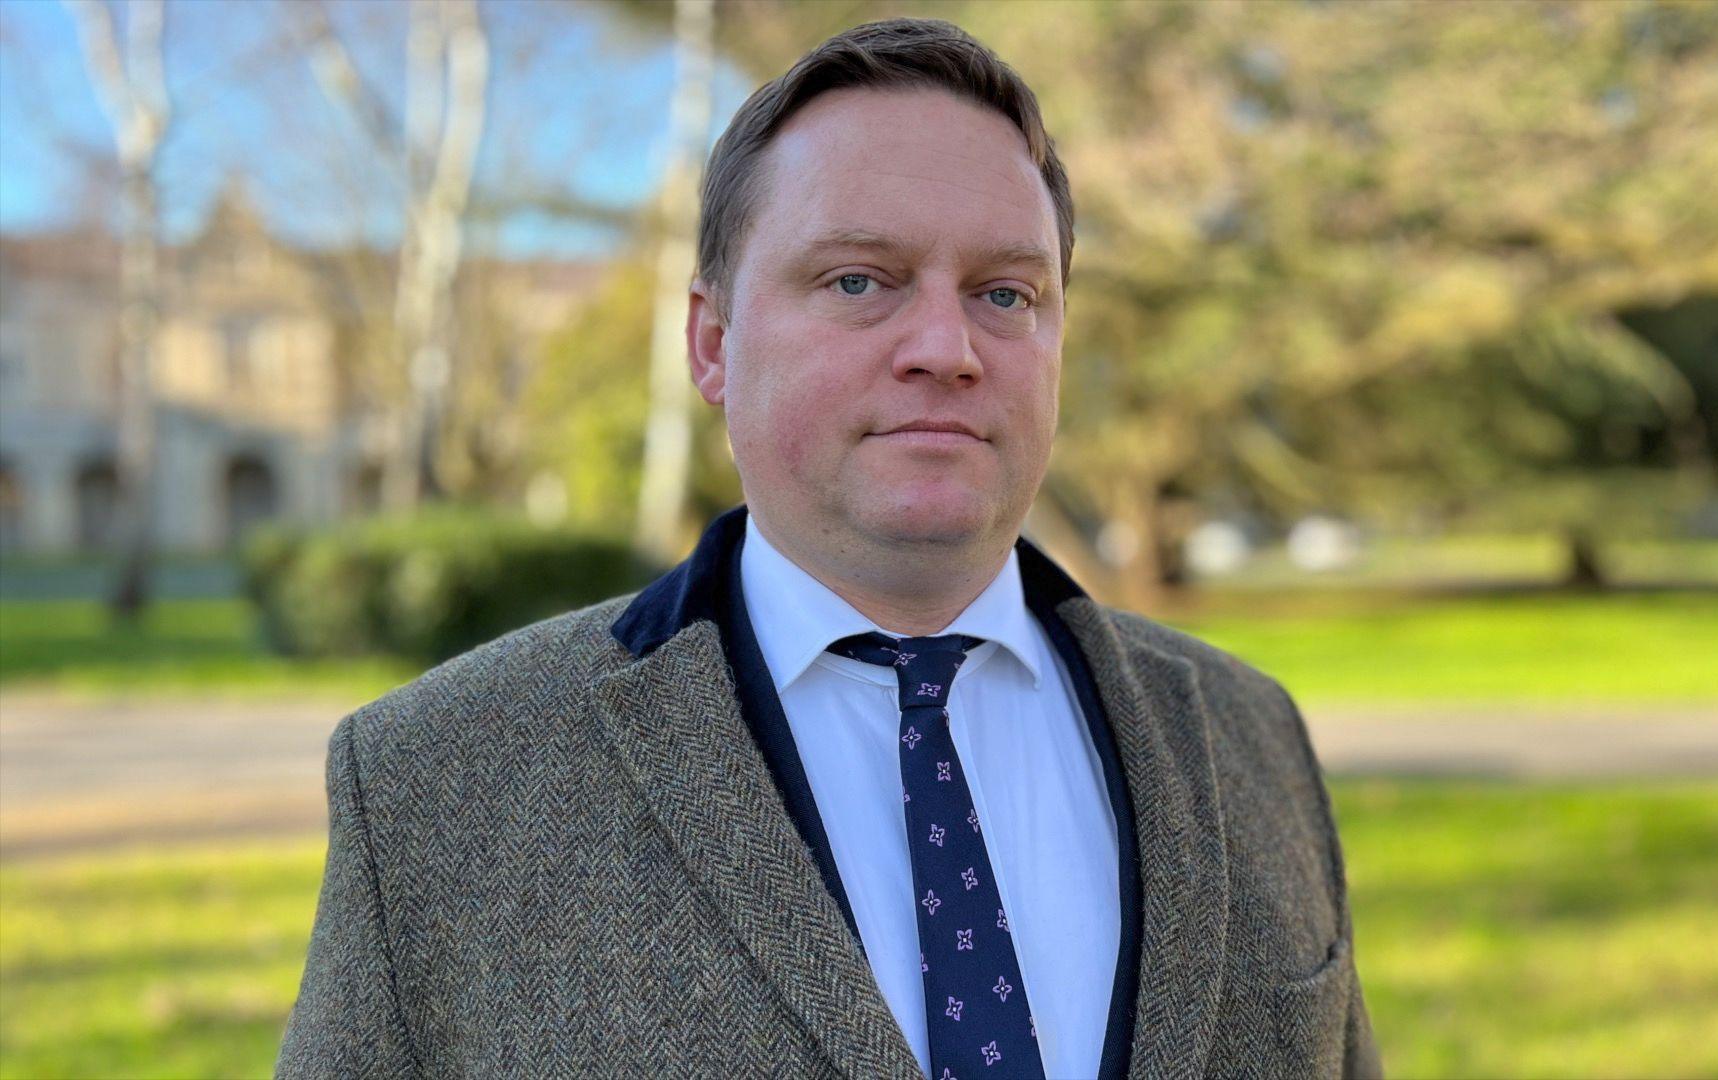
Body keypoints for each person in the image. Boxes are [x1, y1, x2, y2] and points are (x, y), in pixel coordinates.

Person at [277, 17, 1380, 1080]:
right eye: (860, 280)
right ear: (712, 343)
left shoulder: (1250, 738)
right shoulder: (440, 783)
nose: (947, 349)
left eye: (1005, 293)